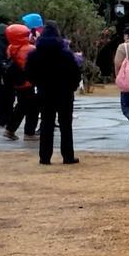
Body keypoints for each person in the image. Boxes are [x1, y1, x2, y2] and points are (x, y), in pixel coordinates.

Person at [25, 22, 82, 165]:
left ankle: (45, 157)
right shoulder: (66, 53)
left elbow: (28, 73)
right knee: (65, 125)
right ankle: (68, 156)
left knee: (46, 123)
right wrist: (73, 86)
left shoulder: (34, 54)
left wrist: (37, 83)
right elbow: (75, 72)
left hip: (44, 91)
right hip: (65, 92)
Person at [2, 23, 39, 140]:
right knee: (32, 107)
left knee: (21, 106)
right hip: (28, 82)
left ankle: (10, 129)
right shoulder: (29, 49)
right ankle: (29, 133)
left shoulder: (11, 48)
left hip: (17, 82)